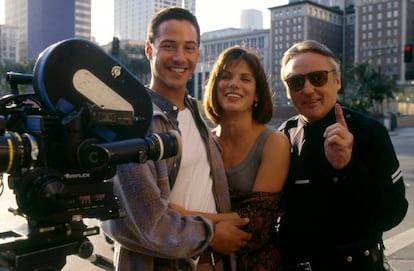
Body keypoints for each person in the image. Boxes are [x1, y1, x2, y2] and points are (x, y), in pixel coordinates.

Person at [101, 7, 251, 271]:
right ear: (150, 50)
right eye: (169, 46)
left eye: (189, 48)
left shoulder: (195, 111)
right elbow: (142, 224)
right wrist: (212, 234)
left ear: (198, 54)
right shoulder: (133, 122)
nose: (180, 58)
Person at [277, 39, 408, 271]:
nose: (307, 89)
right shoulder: (282, 137)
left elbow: (392, 213)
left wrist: (347, 167)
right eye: (296, 82)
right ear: (288, 90)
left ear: (337, 81)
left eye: (318, 77)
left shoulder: (369, 132)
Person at [173, 46, 290, 270]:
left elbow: (255, 223)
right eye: (225, 77)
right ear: (214, 87)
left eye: (245, 79)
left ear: (257, 93)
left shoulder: (274, 143)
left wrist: (184, 216)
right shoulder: (203, 141)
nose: (234, 83)